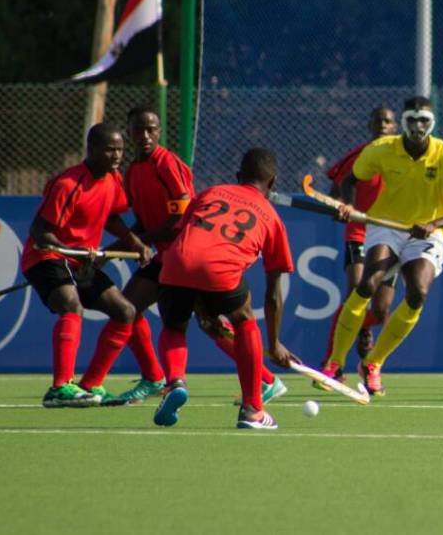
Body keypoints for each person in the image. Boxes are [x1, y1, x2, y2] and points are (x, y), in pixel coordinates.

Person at [112, 107, 287, 405]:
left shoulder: (171, 167)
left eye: (151, 129)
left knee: (137, 312)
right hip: (184, 260)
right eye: (138, 129)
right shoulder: (132, 173)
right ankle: (256, 393)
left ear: (159, 131)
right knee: (135, 311)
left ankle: (163, 379)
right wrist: (129, 241)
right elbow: (148, 221)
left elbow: (180, 225)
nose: (144, 136)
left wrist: (139, 241)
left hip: (175, 257)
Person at [326, 96, 443, 396]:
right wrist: (348, 206)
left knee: (418, 293)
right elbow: (350, 180)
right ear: (404, 122)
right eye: (412, 120)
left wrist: (435, 224)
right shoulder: (381, 150)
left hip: (429, 233)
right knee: (367, 284)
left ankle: (373, 363)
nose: (418, 126)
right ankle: (335, 363)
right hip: (386, 226)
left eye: (424, 121)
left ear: (432, 123)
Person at [154, 148, 296, 430]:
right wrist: (275, 343)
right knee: (244, 321)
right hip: (220, 271)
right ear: (273, 181)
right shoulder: (272, 218)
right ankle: (253, 410)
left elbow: (191, 239)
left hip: (174, 264)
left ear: (238, 176)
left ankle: (175, 382)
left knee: (174, 326)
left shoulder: (210, 192)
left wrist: (203, 306)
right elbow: (273, 294)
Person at [20, 123, 152, 407]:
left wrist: (135, 243)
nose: (116, 155)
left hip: (79, 261)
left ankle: (91, 385)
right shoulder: (68, 184)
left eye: (119, 150)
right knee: (71, 305)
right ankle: (59, 388)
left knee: (125, 310)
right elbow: (39, 231)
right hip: (46, 257)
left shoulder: (113, 179)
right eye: (109, 150)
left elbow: (112, 218)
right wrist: (73, 251)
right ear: (91, 150)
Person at [318, 106, 399, 383]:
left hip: (392, 237)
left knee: (380, 310)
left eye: (388, 121)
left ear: (395, 126)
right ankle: (332, 365)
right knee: (356, 295)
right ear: (370, 125)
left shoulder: (403, 158)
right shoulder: (359, 156)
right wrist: (343, 207)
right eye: (378, 121)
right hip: (360, 233)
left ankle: (362, 330)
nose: (382, 125)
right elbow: (336, 191)